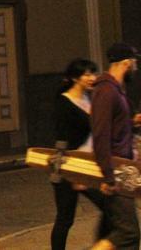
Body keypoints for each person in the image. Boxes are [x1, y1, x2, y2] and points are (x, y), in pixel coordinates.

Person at [90, 42, 141, 250]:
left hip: (122, 168)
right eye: (135, 62)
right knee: (127, 233)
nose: (136, 67)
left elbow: (114, 126)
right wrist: (108, 176)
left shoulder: (115, 90)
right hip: (116, 170)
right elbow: (101, 135)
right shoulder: (106, 91)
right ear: (126, 63)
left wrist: (131, 122)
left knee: (123, 235)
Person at [50, 58, 104, 250]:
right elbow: (61, 139)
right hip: (69, 167)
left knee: (109, 207)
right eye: (87, 74)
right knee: (65, 219)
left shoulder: (88, 99)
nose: (92, 78)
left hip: (89, 165)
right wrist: (69, 174)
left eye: (94, 73)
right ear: (75, 77)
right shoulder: (64, 103)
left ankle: (104, 244)